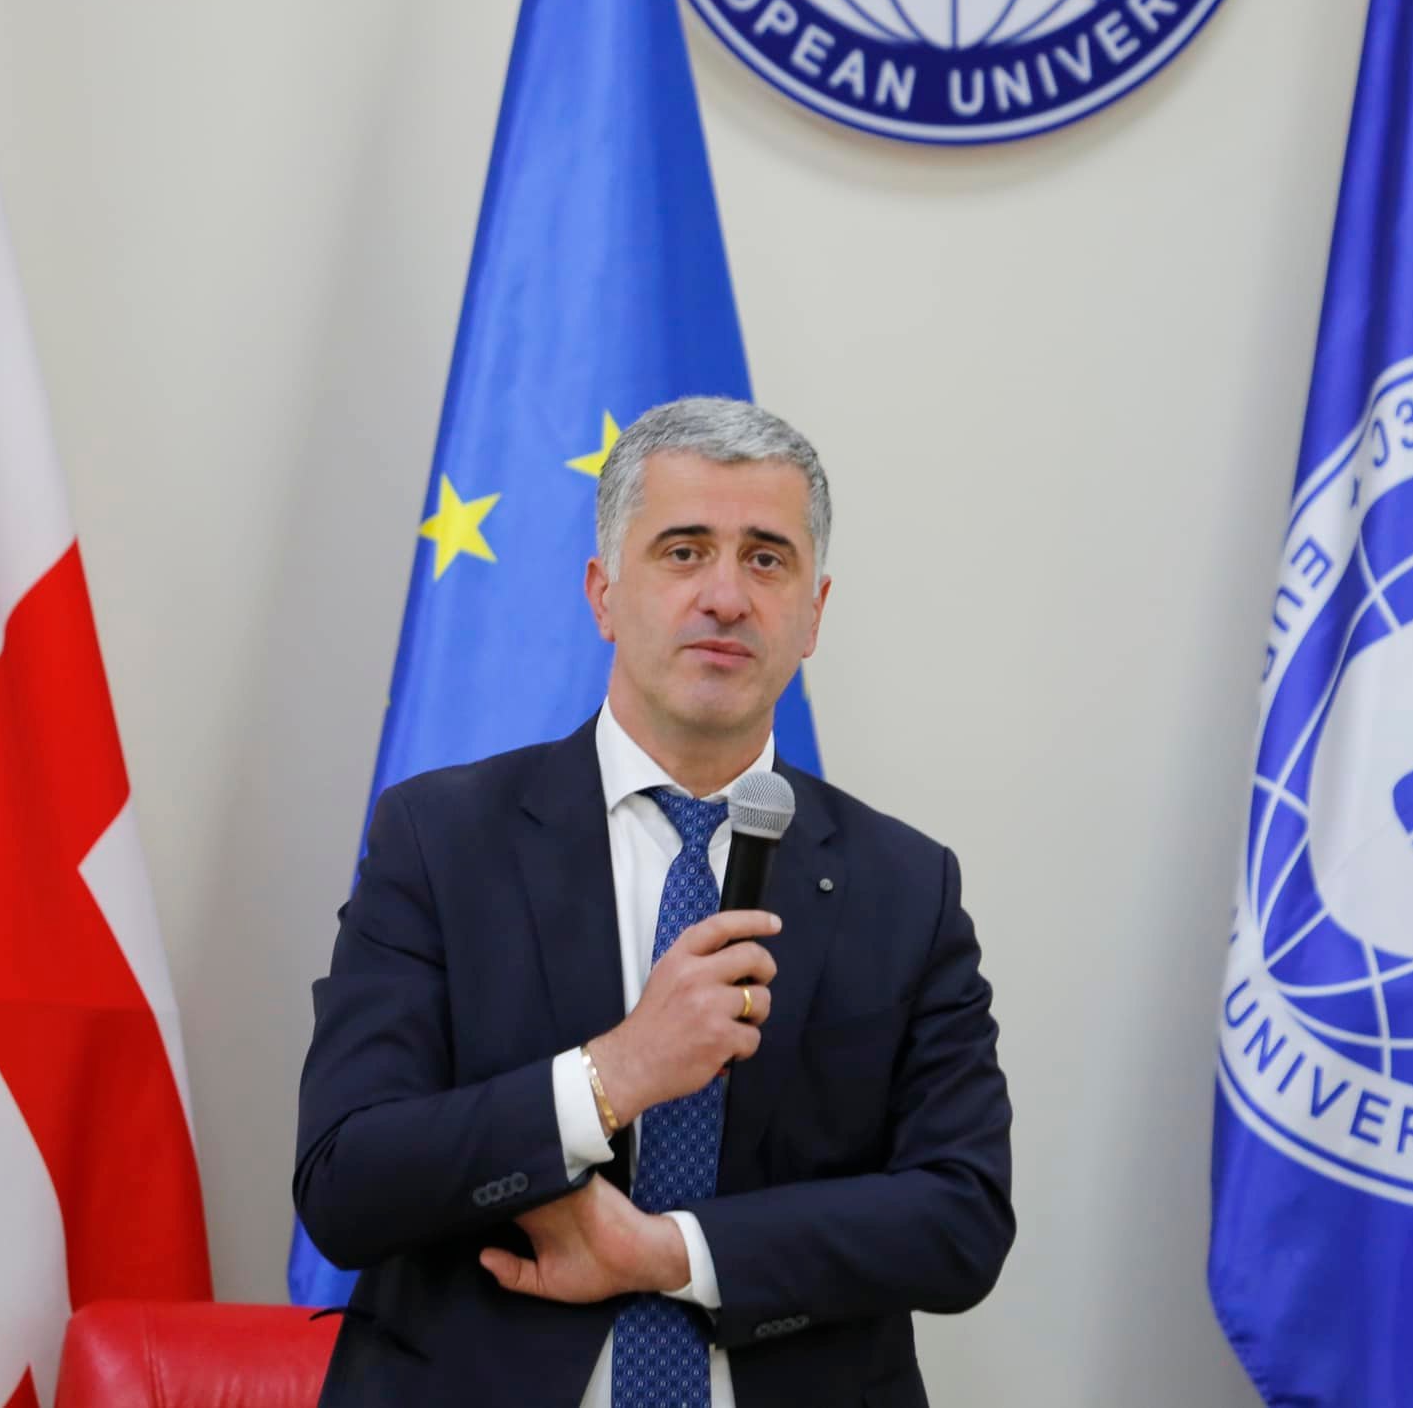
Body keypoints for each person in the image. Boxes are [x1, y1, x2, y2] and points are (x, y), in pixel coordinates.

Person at [295, 397, 1013, 1408]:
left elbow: (961, 1217)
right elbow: (346, 1182)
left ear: (813, 612)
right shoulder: (441, 840)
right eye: (683, 551)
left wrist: (672, 1251)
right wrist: (612, 1075)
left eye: (766, 559)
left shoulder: (905, 884)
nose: (725, 595)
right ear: (603, 593)